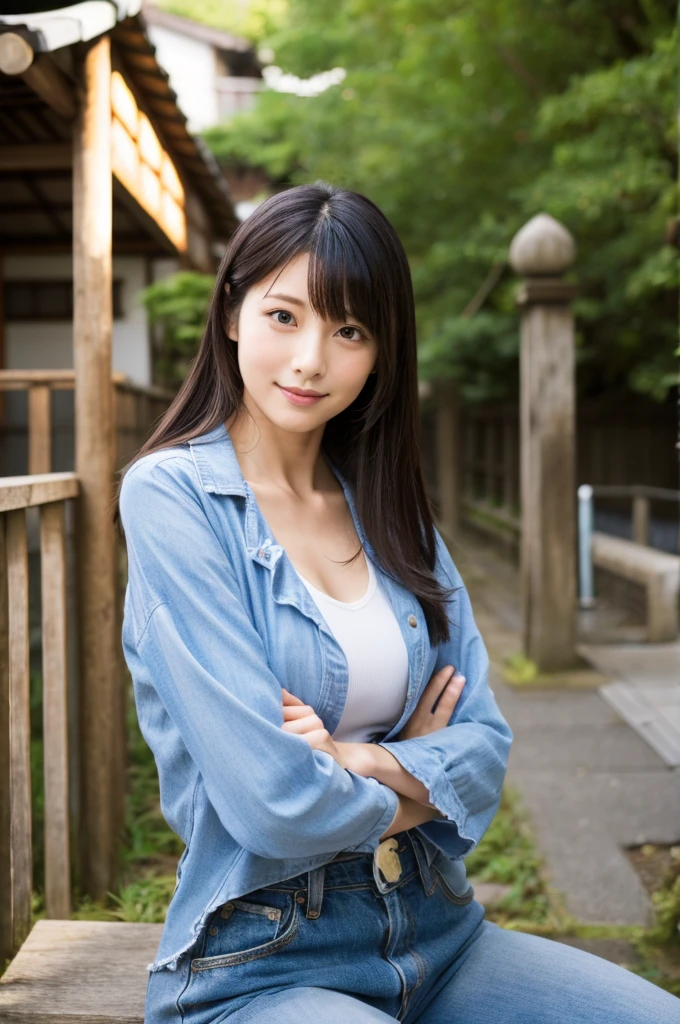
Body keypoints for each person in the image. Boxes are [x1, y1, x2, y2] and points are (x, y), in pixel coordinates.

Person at [117, 182, 679, 1024]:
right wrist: (416, 774)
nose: (311, 359)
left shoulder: (389, 508)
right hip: (266, 961)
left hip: (440, 932)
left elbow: (485, 748)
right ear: (231, 311)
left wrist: (360, 760)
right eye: (285, 317)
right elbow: (272, 804)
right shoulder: (174, 498)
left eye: (349, 330)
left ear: (380, 352)